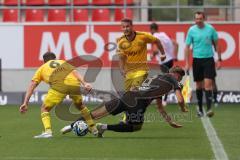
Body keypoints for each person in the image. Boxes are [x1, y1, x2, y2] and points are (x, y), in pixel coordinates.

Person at [60, 66, 189, 137]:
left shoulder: (156, 79)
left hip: (128, 96)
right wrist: (183, 108)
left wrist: (170, 121)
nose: (179, 80)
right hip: (138, 102)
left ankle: (70, 126)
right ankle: (104, 127)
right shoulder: (172, 79)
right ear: (176, 75)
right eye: (180, 78)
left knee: (96, 114)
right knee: (136, 126)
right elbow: (179, 99)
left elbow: (160, 107)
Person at [19, 52, 97, 138]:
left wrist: (25, 102)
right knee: (81, 106)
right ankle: (94, 129)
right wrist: (85, 83)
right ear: (55, 59)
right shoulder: (62, 62)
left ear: (44, 61)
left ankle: (48, 131)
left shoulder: (42, 68)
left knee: (45, 108)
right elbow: (75, 72)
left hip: (59, 86)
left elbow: (32, 85)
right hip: (74, 84)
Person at [117, 18, 166, 122]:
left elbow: (157, 41)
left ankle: (127, 118)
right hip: (129, 72)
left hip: (141, 70)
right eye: (123, 27)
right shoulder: (120, 41)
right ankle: (136, 112)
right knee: (128, 96)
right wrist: (121, 69)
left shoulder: (143, 36)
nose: (126, 28)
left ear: (132, 26)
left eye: (127, 26)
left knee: (133, 91)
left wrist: (163, 53)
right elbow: (121, 57)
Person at [185, 11, 222, 117]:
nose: (198, 21)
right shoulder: (191, 30)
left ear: (204, 19)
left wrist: (219, 59)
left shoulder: (211, 29)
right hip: (197, 60)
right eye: (196, 19)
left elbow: (217, 44)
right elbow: (187, 47)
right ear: (194, 19)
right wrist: (187, 63)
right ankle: (200, 109)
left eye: (200, 19)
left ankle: (209, 108)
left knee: (208, 84)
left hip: (209, 60)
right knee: (198, 85)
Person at [150, 22, 179, 106]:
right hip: (170, 60)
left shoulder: (154, 36)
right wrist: (175, 56)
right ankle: (164, 99)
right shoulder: (164, 34)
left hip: (163, 62)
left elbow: (155, 50)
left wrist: (152, 56)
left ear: (151, 30)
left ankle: (162, 100)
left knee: (162, 81)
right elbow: (176, 44)